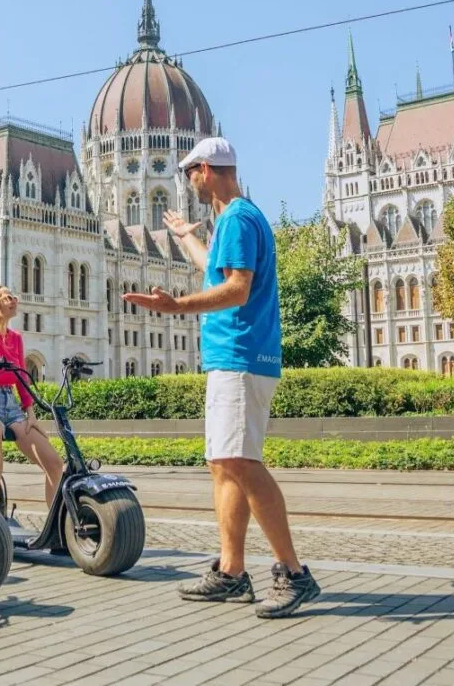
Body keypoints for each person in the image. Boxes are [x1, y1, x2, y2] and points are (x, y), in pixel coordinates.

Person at [123, 136, 321, 619]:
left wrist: (177, 306)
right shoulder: (236, 219)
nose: (188, 181)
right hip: (231, 356)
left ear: (207, 170)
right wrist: (185, 237)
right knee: (224, 463)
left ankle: (294, 573)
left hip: (241, 354)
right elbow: (215, 270)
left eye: (190, 171)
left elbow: (236, 289)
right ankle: (232, 572)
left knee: (242, 462)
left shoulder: (237, 218)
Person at [0, 285, 63, 508]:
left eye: (14, 297)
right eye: (8, 297)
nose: (14, 300)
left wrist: (30, 414)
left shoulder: (15, 338)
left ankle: (56, 524)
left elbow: (21, 376)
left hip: (11, 404)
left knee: (55, 464)